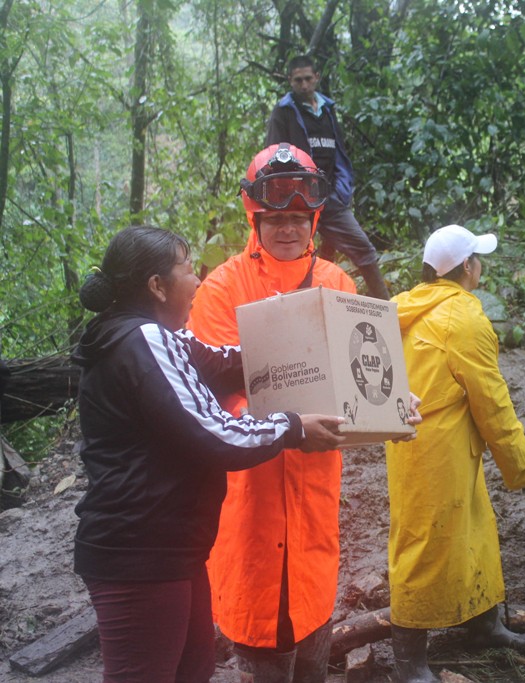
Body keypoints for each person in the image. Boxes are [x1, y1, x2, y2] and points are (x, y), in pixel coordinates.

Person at [72, 226, 347, 682]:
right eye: (186, 270)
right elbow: (214, 434)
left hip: (173, 546)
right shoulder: (142, 340)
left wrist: (319, 357)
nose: (197, 282)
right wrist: (294, 427)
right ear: (157, 287)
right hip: (140, 551)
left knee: (192, 669)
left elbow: (226, 362)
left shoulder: (160, 338)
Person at [187, 143, 413, 682]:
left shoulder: (338, 282)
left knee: (312, 624)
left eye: (297, 217)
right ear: (255, 219)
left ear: (313, 219)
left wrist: (390, 405)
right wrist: (286, 429)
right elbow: (212, 394)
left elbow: (363, 365)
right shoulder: (221, 289)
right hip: (250, 494)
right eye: (275, 218)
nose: (287, 228)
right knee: (258, 633)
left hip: (315, 488)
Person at [386, 225, 525, 682]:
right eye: (478, 259)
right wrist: (520, 465)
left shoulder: (406, 306)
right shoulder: (464, 318)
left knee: (473, 529)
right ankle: (409, 660)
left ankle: (483, 622)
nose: (480, 266)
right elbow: (491, 400)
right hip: (439, 450)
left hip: (418, 443)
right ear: (467, 267)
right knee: (424, 543)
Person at [265, 55, 389, 300]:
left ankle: (388, 312)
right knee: (299, 260)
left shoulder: (327, 109)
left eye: (308, 79)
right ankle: (298, 315)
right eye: (298, 80)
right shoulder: (284, 112)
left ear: (317, 78)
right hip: (300, 200)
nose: (303, 85)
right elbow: (273, 153)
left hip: (331, 197)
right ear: (290, 80)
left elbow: (339, 150)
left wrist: (343, 189)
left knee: (363, 250)